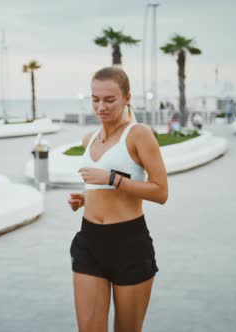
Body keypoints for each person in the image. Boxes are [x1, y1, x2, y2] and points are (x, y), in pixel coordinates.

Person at [68, 66, 168, 331]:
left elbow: (161, 191)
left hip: (129, 244)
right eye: (95, 99)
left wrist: (112, 179)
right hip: (89, 241)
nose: (101, 106)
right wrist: (86, 198)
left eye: (109, 99)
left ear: (127, 98)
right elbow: (103, 189)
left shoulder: (139, 134)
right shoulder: (89, 139)